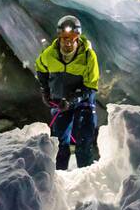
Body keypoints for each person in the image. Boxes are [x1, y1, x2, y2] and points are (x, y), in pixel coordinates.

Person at [34, 14, 100, 169]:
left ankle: (86, 178)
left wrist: (73, 99)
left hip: (83, 104)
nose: (68, 41)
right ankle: (57, 178)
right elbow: (40, 67)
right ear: (60, 36)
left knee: (84, 142)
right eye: (65, 37)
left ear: (77, 37)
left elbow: (91, 86)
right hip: (60, 103)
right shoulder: (50, 54)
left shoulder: (88, 56)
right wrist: (45, 90)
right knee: (59, 143)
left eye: (72, 37)